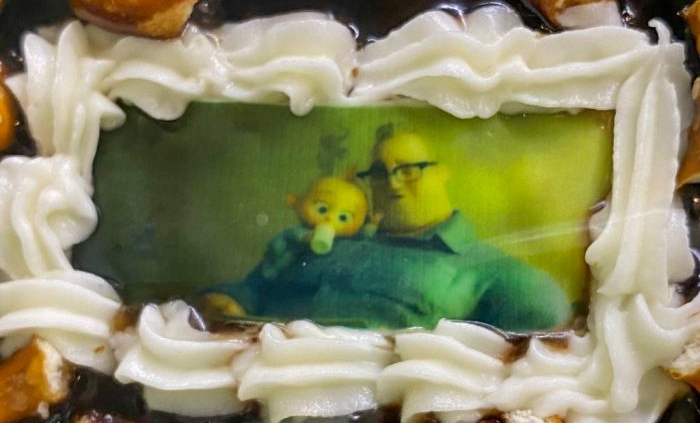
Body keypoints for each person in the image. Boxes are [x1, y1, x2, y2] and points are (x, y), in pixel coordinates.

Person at [206, 131, 572, 331]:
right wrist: (229, 301)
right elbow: (252, 289)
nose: (393, 184)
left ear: (440, 174)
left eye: (408, 169)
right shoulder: (330, 240)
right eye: (380, 173)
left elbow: (546, 320)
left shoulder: (489, 268)